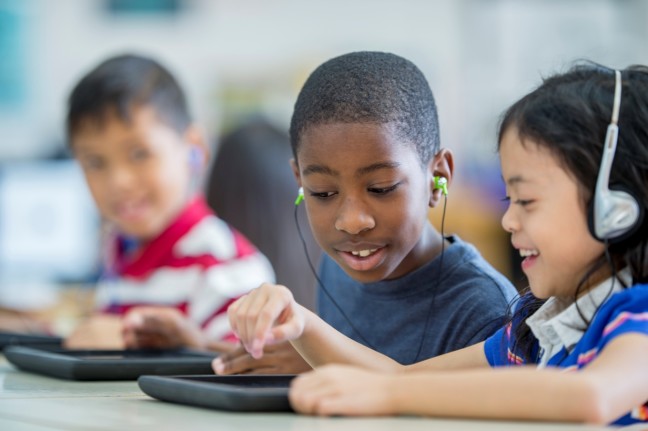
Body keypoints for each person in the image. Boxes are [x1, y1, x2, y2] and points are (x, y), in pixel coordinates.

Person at [229, 63, 648, 425]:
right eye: (509, 200)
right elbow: (400, 378)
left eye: (527, 201)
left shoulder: (637, 317)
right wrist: (299, 323)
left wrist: (391, 397)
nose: (508, 220)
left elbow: (592, 396)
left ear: (617, 208)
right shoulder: (536, 328)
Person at [212, 51, 517, 375]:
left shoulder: (484, 308)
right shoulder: (336, 266)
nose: (351, 222)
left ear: (437, 177)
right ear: (299, 180)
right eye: (323, 193)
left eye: (381, 188)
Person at [63, 54, 275, 350]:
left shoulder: (224, 265)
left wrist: (136, 343)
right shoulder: (118, 247)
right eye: (95, 162)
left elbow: (251, 369)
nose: (118, 181)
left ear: (195, 149)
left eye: (139, 154)